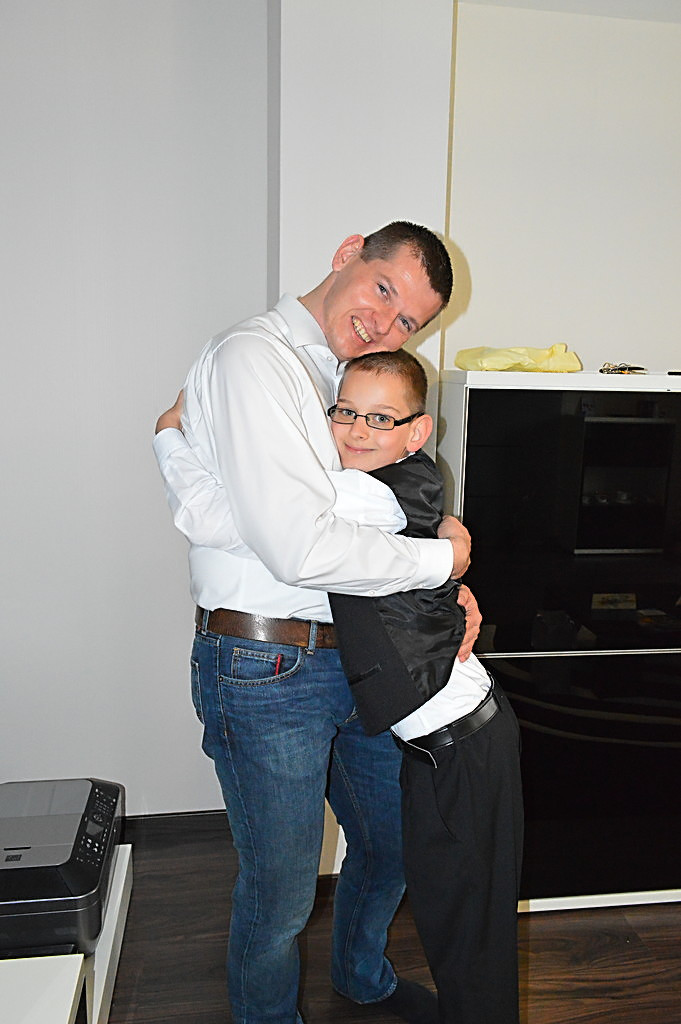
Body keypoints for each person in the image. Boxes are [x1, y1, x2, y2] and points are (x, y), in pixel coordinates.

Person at [153, 222, 481, 1024]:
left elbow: (339, 510)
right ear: (347, 254)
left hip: (357, 651)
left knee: (393, 844)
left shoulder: (345, 377)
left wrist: (443, 571)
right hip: (264, 664)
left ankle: (361, 977)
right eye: (383, 290)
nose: (384, 323)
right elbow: (299, 544)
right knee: (282, 891)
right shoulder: (255, 359)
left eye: (407, 321)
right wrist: (438, 562)